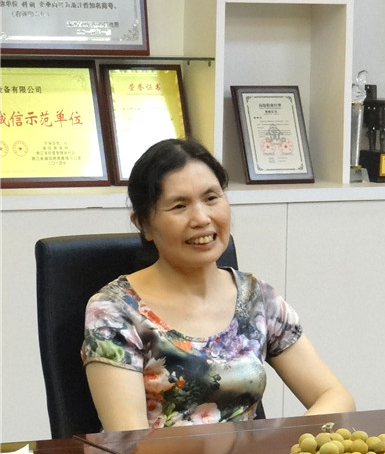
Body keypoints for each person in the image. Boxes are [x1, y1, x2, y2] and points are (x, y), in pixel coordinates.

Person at [82, 138, 355, 431]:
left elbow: (335, 396)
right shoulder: (113, 311)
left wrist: (288, 444)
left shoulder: (256, 298)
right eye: (179, 206)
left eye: (211, 198)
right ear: (143, 224)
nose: (202, 218)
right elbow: (129, 440)